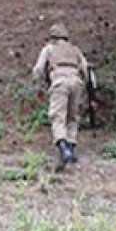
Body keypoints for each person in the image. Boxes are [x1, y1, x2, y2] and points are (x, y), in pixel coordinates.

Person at [31, 23, 89, 171]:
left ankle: (64, 150)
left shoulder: (49, 49)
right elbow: (85, 68)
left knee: (57, 117)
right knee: (72, 117)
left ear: (52, 37)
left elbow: (38, 69)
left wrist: (39, 86)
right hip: (76, 82)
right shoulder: (75, 50)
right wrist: (83, 84)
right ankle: (70, 148)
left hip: (59, 82)